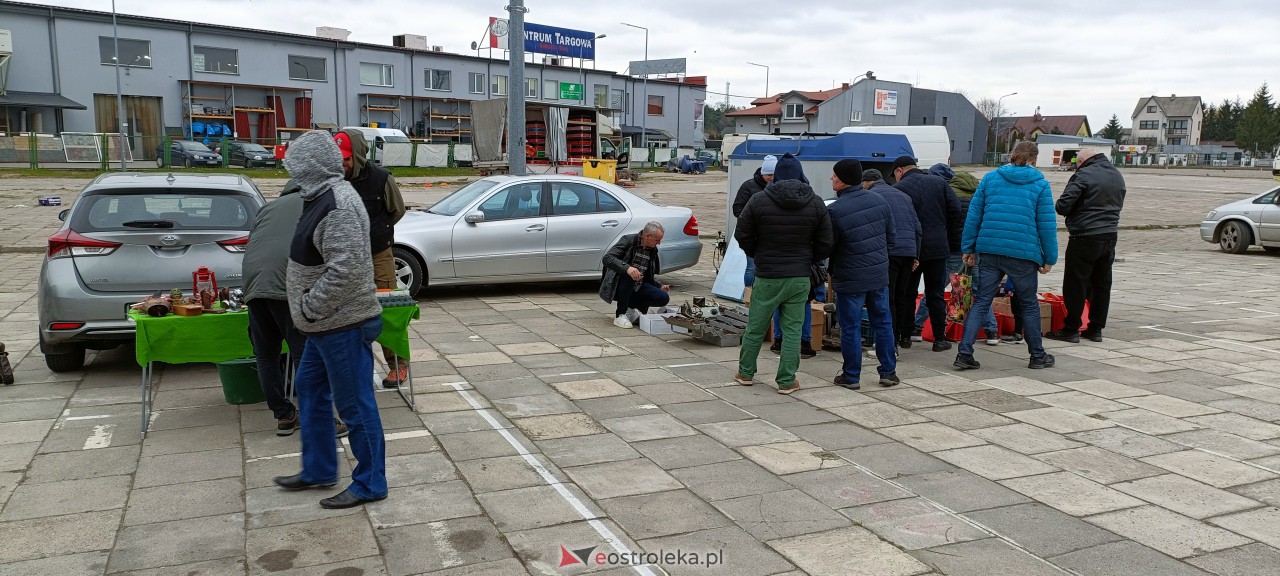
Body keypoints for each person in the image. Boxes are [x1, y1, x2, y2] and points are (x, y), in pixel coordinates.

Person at [274, 130, 387, 509]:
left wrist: (310, 307)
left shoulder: (336, 203)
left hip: (341, 324)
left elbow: (347, 270)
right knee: (309, 390)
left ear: (307, 167)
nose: (288, 171)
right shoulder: (319, 196)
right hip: (323, 327)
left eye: (292, 166)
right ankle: (320, 469)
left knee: (355, 406)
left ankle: (371, 483)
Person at [954, 141, 1059, 371]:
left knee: (982, 301)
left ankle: (964, 353)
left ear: (1012, 155)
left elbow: (974, 215)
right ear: (1034, 159)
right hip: (1023, 253)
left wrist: (968, 248)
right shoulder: (1040, 184)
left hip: (989, 249)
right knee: (1029, 304)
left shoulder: (991, 179)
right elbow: (1047, 224)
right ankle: (1037, 356)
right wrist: (1049, 257)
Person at [734, 153, 833, 394]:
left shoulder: (758, 200)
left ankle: (746, 373)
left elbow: (742, 233)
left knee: (756, 327)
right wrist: (808, 258)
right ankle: (787, 381)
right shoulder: (816, 202)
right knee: (792, 330)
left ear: (775, 176)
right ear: (801, 175)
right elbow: (826, 242)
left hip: (767, 274)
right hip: (799, 276)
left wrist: (758, 253)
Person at [335, 129, 408, 388]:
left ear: (357, 154)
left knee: (387, 310)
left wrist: (377, 232)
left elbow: (397, 210)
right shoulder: (334, 180)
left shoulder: (381, 178)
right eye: (338, 157)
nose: (342, 163)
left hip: (378, 255)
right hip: (346, 259)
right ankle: (354, 366)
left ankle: (398, 365)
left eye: (346, 158)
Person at [828, 159, 899, 390]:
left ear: (842, 180)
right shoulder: (880, 201)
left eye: (834, 176)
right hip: (878, 275)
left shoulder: (835, 210)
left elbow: (829, 246)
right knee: (883, 323)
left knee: (850, 326)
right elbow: (891, 239)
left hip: (850, 277)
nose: (831, 179)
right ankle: (888, 371)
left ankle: (851, 376)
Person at [1047, 149, 1126, 343]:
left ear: (1081, 161)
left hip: (1084, 235)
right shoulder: (1116, 174)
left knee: (1076, 283)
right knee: (1101, 284)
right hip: (1109, 235)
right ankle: (1096, 329)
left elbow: (1063, 206)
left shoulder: (1083, 174)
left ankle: (1071, 328)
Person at [893, 156, 962, 352]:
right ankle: (939, 339)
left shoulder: (899, 189)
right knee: (935, 293)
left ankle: (904, 336)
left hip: (912, 249)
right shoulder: (939, 182)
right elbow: (955, 209)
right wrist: (943, 229)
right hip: (938, 247)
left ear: (900, 171)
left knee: (907, 293)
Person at [863, 169, 920, 350]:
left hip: (888, 252)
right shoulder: (904, 196)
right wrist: (915, 255)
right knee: (902, 296)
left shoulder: (871, 196)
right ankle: (902, 338)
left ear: (867, 182)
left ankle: (888, 344)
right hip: (908, 251)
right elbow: (917, 227)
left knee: (888, 298)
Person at [599, 222, 671, 328]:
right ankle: (621, 315)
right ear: (647, 236)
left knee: (663, 297)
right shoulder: (628, 240)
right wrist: (627, 268)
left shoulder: (653, 250)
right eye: (657, 240)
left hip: (638, 285)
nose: (659, 243)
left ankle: (632, 309)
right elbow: (607, 258)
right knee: (630, 275)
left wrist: (658, 286)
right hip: (618, 285)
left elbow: (647, 276)